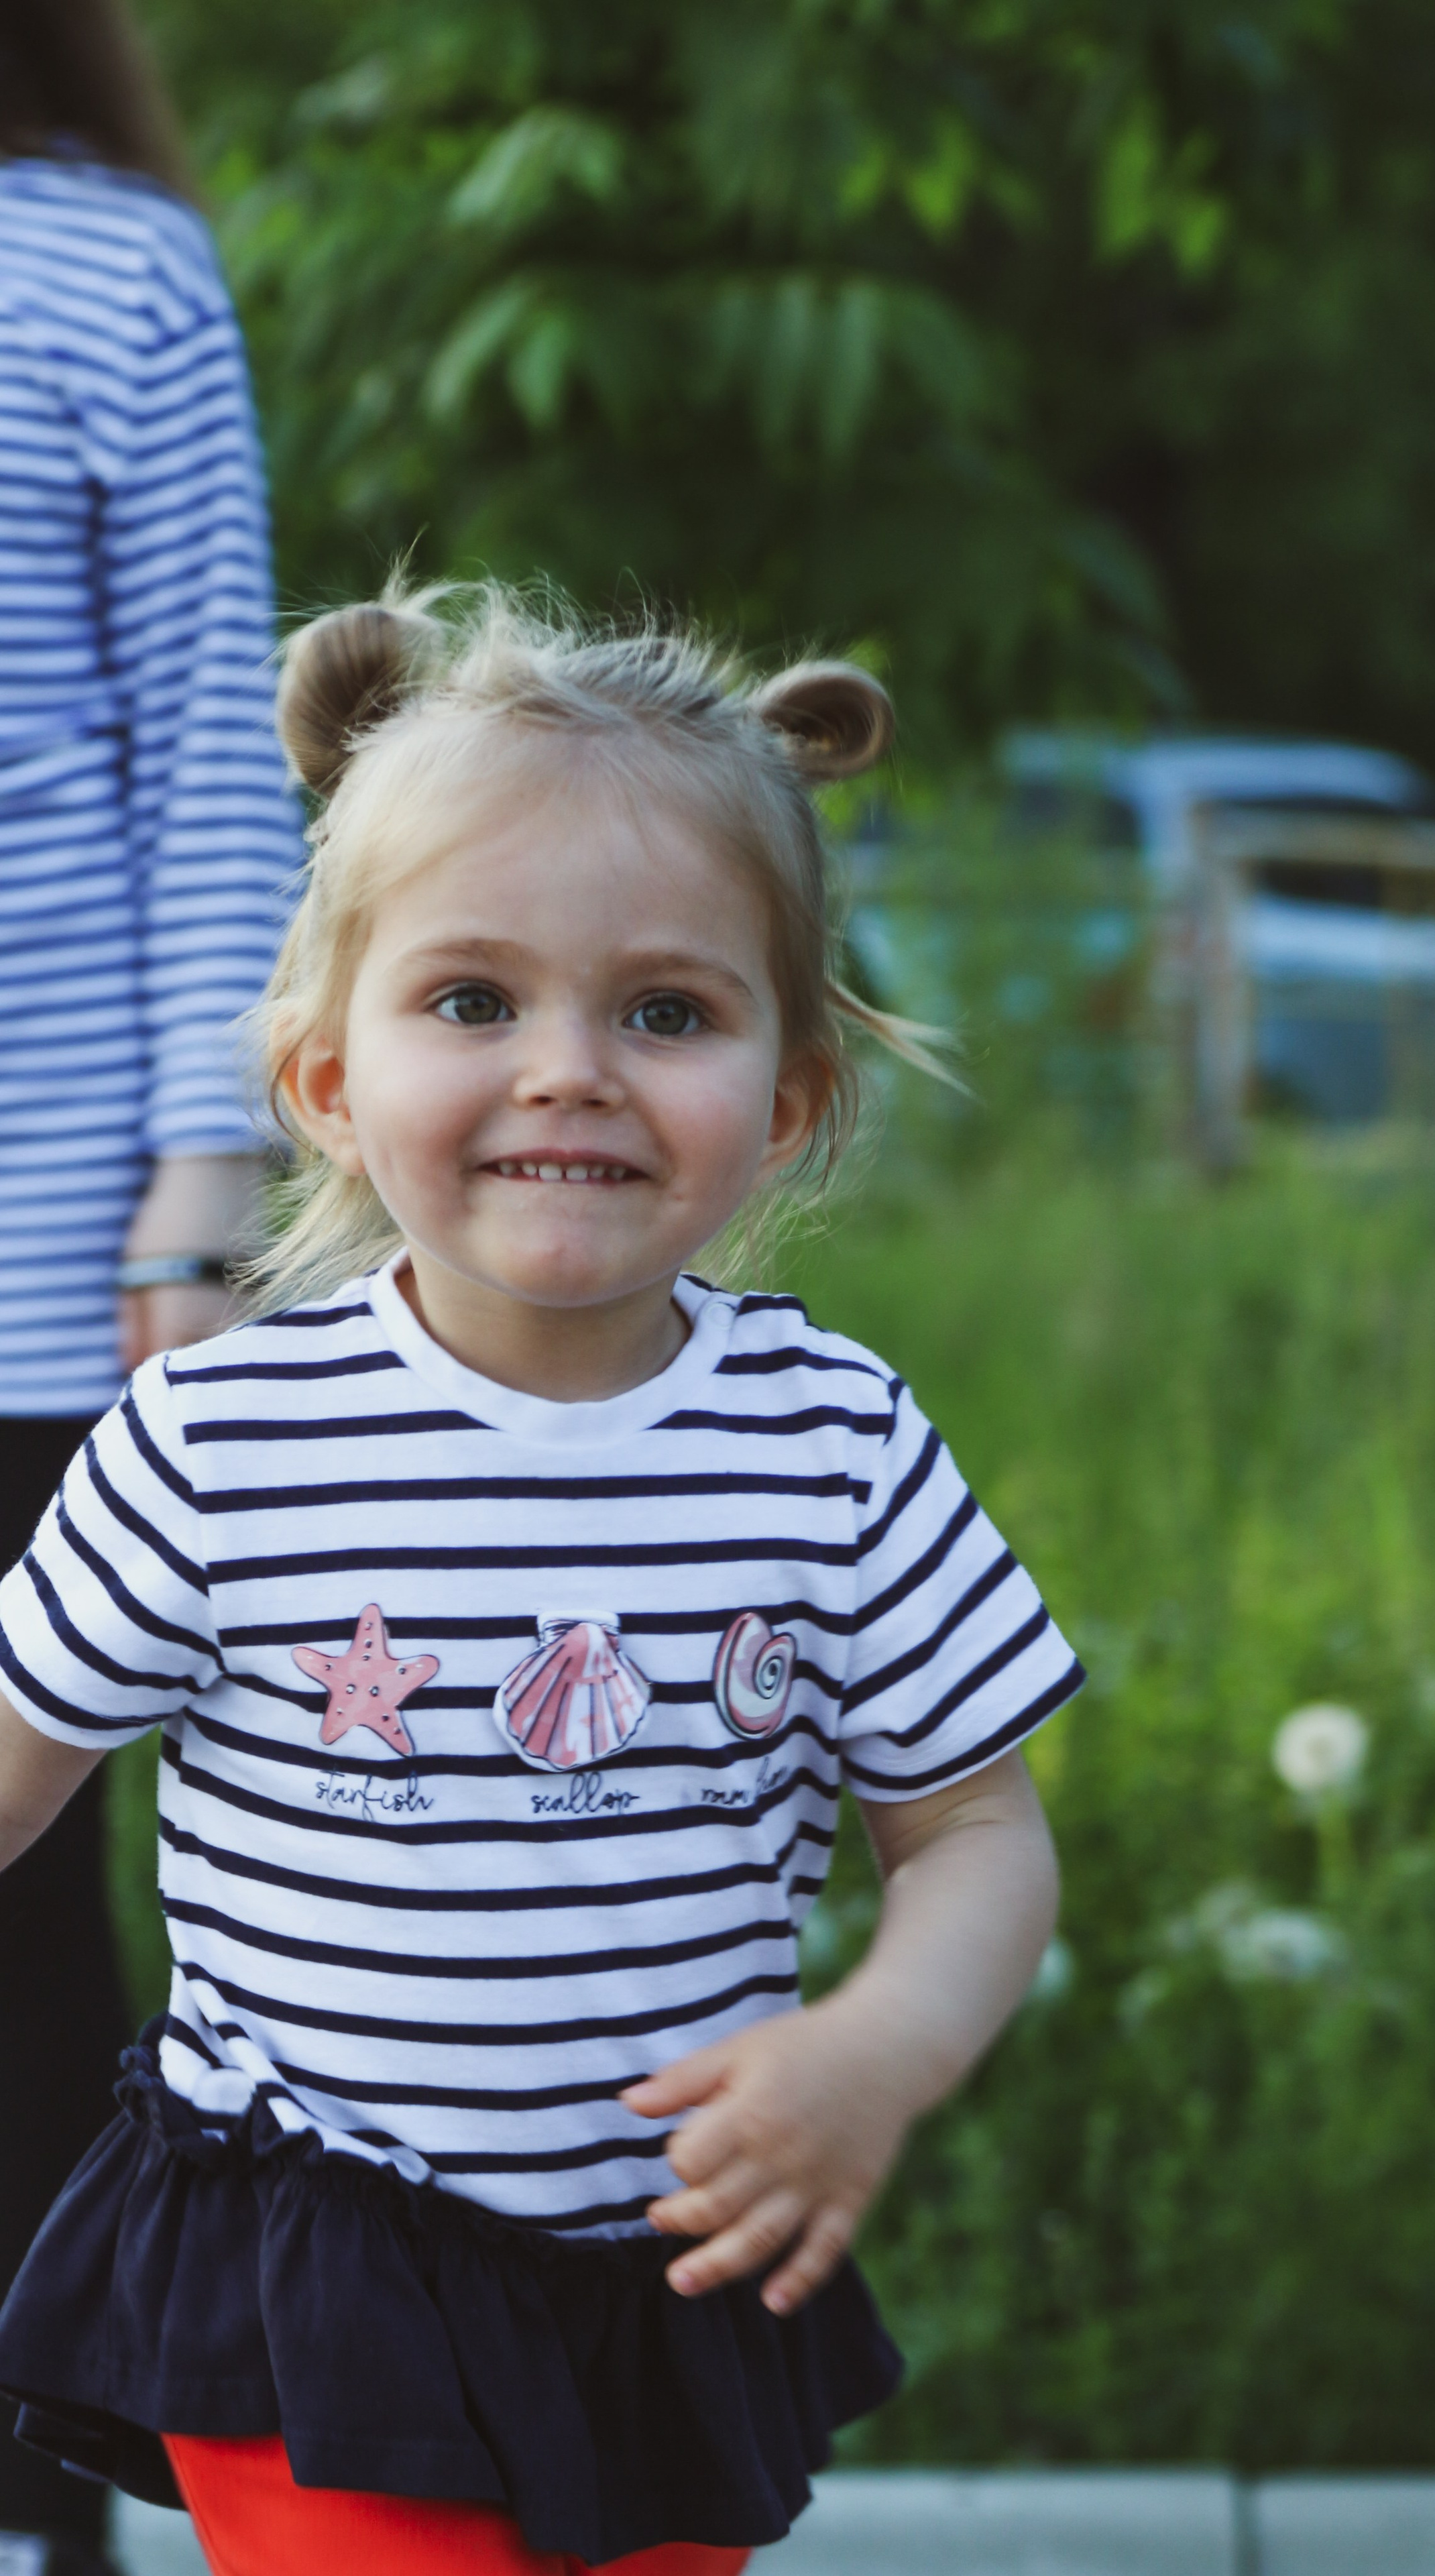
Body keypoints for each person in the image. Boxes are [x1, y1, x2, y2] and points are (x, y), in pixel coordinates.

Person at [0, 591, 1078, 2576]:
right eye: (474, 1000)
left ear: (791, 1097)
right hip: (315, 2263)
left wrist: (874, 2051)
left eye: (664, 1011)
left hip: (671, 2274)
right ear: (326, 1079)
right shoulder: (220, 1445)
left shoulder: (827, 1443)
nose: (569, 1070)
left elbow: (981, 1834)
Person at [0, 6, 300, 2565]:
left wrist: (197, 1212)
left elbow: (215, 745)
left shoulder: (112, 278)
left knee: (31, 1909)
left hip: (42, 1265)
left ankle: (62, 2474)